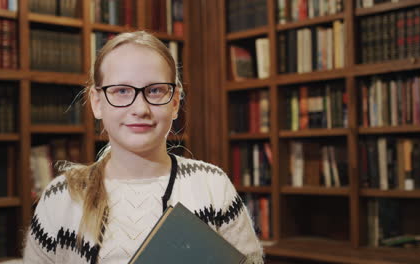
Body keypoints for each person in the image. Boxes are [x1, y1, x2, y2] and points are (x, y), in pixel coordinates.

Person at [23, 31, 263, 264]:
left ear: (176, 102)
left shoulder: (212, 186)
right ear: (97, 103)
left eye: (155, 91)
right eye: (121, 91)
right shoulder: (60, 197)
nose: (140, 108)